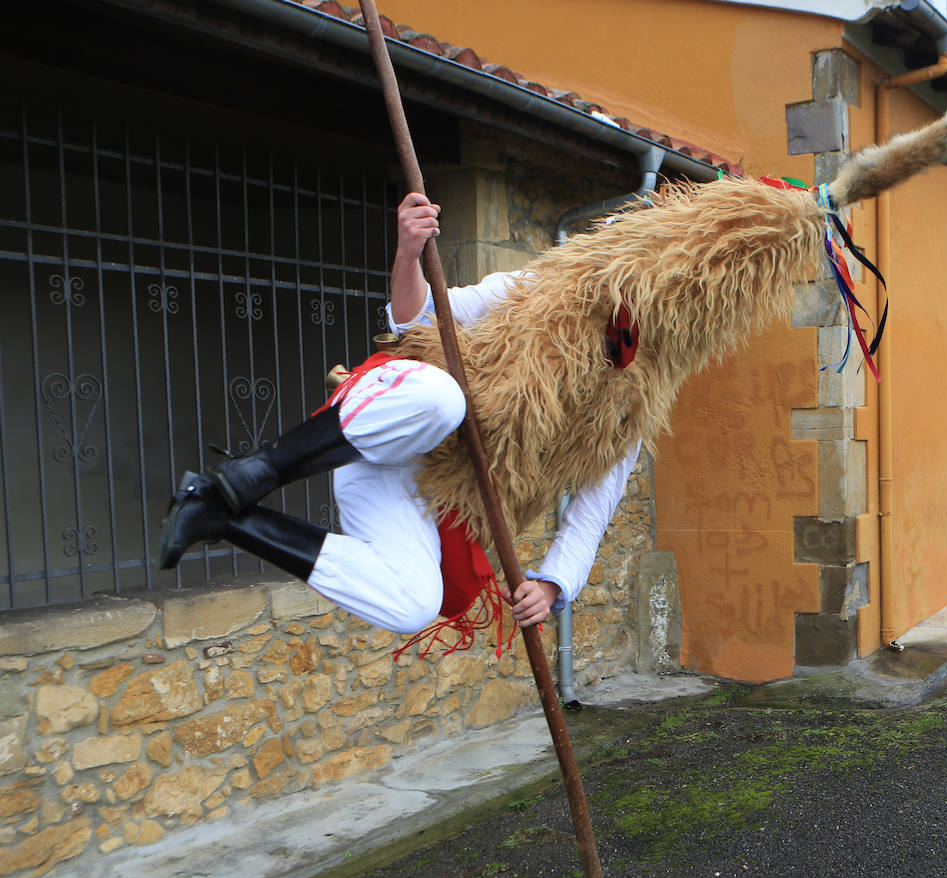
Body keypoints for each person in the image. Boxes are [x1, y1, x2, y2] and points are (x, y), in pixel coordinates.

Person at [159, 192, 636, 639]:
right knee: (445, 399)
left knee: (412, 604)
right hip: (387, 416)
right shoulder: (523, 292)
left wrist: (554, 583)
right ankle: (255, 472)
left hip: (411, 485)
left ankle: (216, 516)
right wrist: (408, 253)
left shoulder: (631, 405)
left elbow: (592, 511)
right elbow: (414, 322)